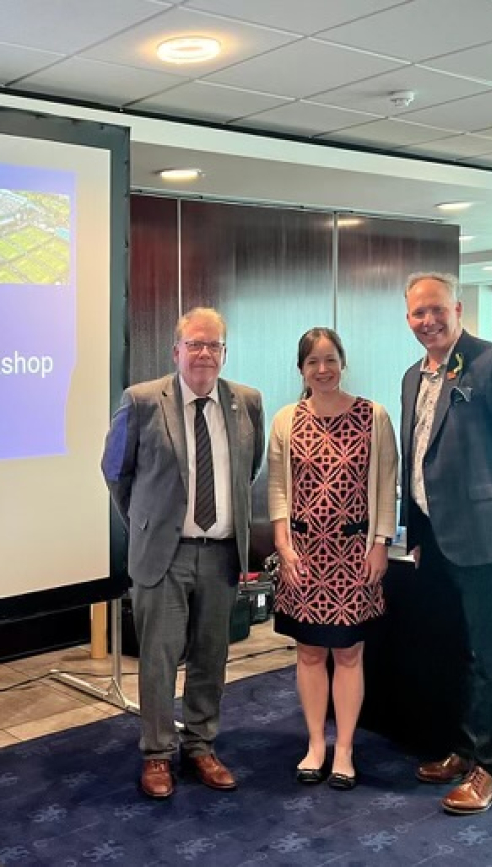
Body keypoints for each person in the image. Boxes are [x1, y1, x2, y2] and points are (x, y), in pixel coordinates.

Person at [399, 273, 492, 815]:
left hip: (491, 534)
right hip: (435, 537)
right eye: (418, 313)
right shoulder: (413, 374)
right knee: (453, 649)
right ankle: (463, 748)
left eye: (436, 309)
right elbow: (416, 456)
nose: (428, 321)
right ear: (408, 317)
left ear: (458, 308)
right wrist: (414, 532)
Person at [101, 307, 265, 800]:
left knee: (211, 656)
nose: (204, 354)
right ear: (176, 351)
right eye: (195, 344)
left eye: (213, 345)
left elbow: (248, 470)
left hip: (220, 554)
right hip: (164, 556)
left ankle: (201, 746)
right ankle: (157, 754)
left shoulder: (247, 403)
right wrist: (149, 525)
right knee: (158, 658)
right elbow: (115, 471)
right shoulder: (142, 401)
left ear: (224, 353)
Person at [268, 328, 398, 791]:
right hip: (302, 555)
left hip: (353, 553)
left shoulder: (373, 416)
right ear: (301, 369)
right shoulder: (287, 419)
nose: (322, 370)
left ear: (343, 361)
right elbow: (278, 489)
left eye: (329, 360)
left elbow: (385, 484)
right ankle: (315, 744)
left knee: (348, 651)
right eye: (311, 363)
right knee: (307, 651)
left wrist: (381, 541)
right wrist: (283, 545)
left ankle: (344, 749)